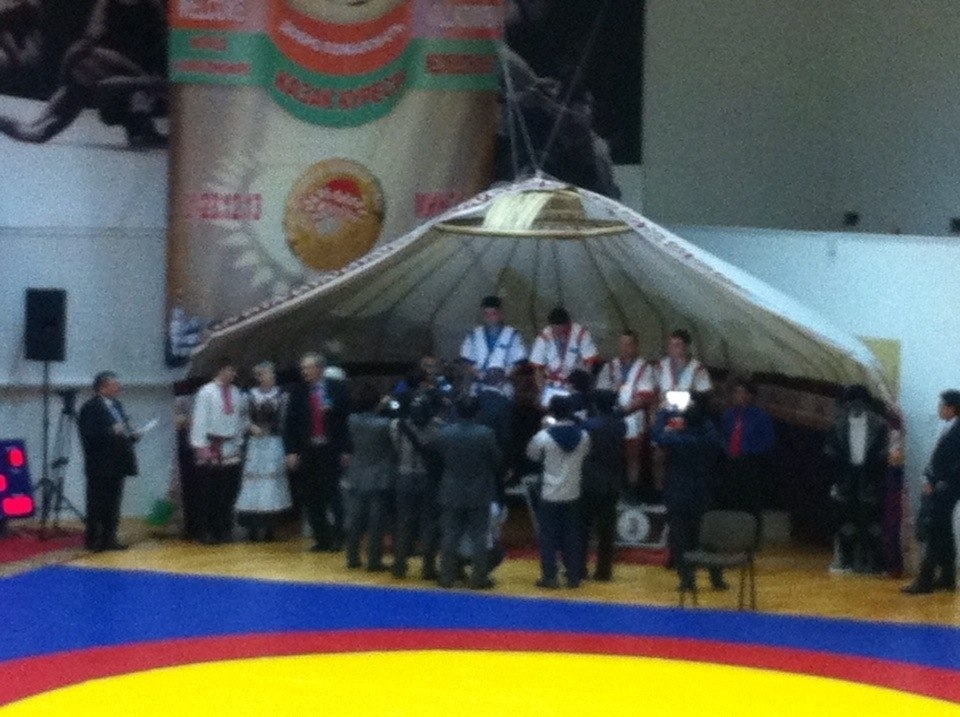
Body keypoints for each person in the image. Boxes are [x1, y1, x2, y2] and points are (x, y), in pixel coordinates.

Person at [0, 0, 167, 147]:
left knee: (92, 63)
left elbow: (164, 44)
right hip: (116, 72)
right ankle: (41, 126)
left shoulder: (150, 6)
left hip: (142, 78)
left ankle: (140, 123)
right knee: (86, 68)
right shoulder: (108, 4)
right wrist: (68, 70)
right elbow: (88, 40)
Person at [651, 395, 726, 592]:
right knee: (707, 536)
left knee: (679, 538)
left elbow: (658, 435)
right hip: (702, 491)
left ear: (684, 421)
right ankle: (717, 578)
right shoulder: (710, 438)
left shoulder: (677, 439)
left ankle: (687, 579)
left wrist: (664, 413)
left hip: (677, 492)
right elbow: (710, 430)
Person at [429, 395, 501, 589]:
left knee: (450, 535)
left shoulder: (445, 433)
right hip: (479, 490)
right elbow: (496, 461)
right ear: (478, 412)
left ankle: (447, 576)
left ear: (457, 411)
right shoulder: (486, 434)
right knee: (479, 536)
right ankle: (479, 578)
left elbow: (436, 459)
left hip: (451, 489)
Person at [284, 352, 352, 552]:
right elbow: (290, 423)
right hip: (307, 450)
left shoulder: (337, 388)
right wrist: (291, 451)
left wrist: (347, 449)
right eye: (302, 368)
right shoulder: (298, 391)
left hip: (331, 449)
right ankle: (322, 538)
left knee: (333, 494)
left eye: (308, 368)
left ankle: (339, 536)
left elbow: (346, 422)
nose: (304, 372)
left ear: (319, 369)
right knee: (311, 496)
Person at [526, 395, 591, 589]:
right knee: (572, 535)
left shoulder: (544, 436)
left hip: (549, 492)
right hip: (573, 491)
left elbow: (532, 455)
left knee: (547, 536)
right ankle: (573, 576)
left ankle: (550, 576)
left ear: (552, 412)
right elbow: (585, 455)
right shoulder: (584, 436)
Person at [823, 385, 889, 574]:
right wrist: (835, 482)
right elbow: (830, 454)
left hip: (870, 477)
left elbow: (884, 454)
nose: (856, 407)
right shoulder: (838, 425)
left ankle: (875, 564)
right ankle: (847, 562)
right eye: (852, 403)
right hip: (846, 477)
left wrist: (877, 477)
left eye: (860, 403)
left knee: (873, 523)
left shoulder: (880, 425)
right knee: (846, 522)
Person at [901, 390, 960, 594]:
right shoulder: (949, 427)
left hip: (947, 488)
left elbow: (954, 465)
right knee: (943, 531)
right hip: (943, 485)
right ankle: (948, 577)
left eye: (942, 405)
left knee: (934, 531)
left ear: (951, 408)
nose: (938, 409)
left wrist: (937, 482)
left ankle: (925, 580)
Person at [78, 371, 138, 551]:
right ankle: (93, 540)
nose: (118, 388)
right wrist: (111, 432)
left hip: (118, 462)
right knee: (97, 502)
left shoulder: (117, 405)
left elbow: (121, 430)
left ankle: (109, 537)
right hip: (100, 464)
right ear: (103, 387)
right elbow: (88, 435)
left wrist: (132, 435)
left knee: (113, 502)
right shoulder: (90, 407)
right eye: (115, 384)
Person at [390, 387, 445, 580]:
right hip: (427, 478)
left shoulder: (398, 426)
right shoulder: (438, 429)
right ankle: (428, 568)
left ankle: (399, 565)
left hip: (404, 476)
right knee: (429, 523)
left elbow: (395, 448)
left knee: (404, 522)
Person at [189, 358, 245, 544]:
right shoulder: (206, 391)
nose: (233, 374)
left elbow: (238, 419)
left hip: (230, 446)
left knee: (227, 492)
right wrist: (200, 445)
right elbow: (200, 419)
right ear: (220, 370)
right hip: (211, 446)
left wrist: (239, 442)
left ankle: (224, 529)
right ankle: (206, 530)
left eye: (234, 370)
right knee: (209, 492)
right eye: (229, 370)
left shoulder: (236, 392)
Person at [339, 384, 395, 571]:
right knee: (376, 522)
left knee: (355, 519)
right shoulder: (385, 425)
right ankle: (374, 560)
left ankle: (352, 557)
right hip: (380, 475)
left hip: (356, 473)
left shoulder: (351, 420)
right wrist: (383, 406)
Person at [235, 362, 292, 542]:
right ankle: (252, 527)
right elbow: (241, 417)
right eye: (267, 374)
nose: (271, 377)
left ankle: (270, 527)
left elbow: (286, 420)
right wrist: (250, 426)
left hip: (274, 443)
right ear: (259, 377)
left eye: (272, 374)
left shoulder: (282, 396)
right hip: (255, 444)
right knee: (253, 484)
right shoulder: (248, 396)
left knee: (272, 484)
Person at [596, 330, 657, 491]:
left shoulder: (644, 368)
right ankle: (610, 489)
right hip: (611, 415)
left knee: (632, 456)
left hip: (632, 417)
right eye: (622, 344)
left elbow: (644, 396)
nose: (625, 348)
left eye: (629, 344)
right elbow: (601, 391)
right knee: (609, 454)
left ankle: (632, 489)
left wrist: (623, 412)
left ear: (636, 346)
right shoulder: (610, 366)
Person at [718, 379, 776, 545]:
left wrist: (750, 451)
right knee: (731, 499)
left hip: (751, 463)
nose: (739, 396)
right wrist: (727, 449)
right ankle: (732, 536)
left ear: (751, 396)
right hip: (731, 461)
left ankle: (752, 539)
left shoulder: (761, 417)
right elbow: (723, 436)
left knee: (751, 502)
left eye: (743, 393)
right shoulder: (728, 415)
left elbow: (768, 441)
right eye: (736, 393)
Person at [580, 390, 626, 581]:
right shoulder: (619, 425)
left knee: (583, 527)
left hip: (590, 481)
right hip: (612, 480)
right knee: (607, 529)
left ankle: (579, 568)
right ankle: (604, 571)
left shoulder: (588, 425)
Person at [529, 306, 600, 408]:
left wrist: (582, 385)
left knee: (576, 408)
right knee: (545, 410)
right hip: (551, 384)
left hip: (574, 385)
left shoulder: (580, 334)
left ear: (568, 324)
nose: (557, 333)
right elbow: (537, 369)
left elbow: (590, 363)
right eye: (554, 329)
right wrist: (542, 391)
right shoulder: (544, 336)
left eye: (560, 329)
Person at [460, 295, 527, 395]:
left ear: (500, 314)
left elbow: (519, 361)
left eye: (493, 314)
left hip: (503, 388)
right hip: (479, 387)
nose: (489, 317)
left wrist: (503, 377)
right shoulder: (473, 334)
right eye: (486, 314)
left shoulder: (512, 334)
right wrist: (481, 376)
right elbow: (466, 360)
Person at [656, 329, 713, 394]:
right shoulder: (662, 365)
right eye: (671, 344)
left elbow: (704, 391)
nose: (673, 348)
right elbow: (656, 387)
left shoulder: (697, 368)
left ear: (686, 346)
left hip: (690, 399)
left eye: (677, 345)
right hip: (665, 399)